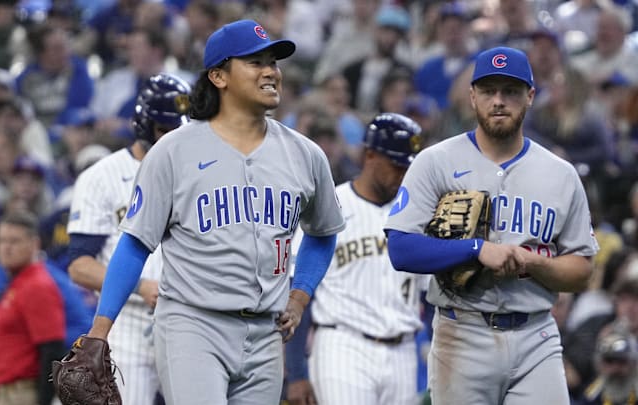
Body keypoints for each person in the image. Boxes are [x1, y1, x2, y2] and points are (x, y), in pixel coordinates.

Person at [83, 19, 345, 405]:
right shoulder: (174, 151)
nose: (272, 71)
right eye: (256, 62)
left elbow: (323, 234)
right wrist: (100, 330)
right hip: (193, 325)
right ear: (219, 76)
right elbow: (135, 245)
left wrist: (300, 295)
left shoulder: (305, 154)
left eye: (273, 62)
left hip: (266, 332)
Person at [384, 46, 599, 405]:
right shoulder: (435, 162)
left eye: (510, 91)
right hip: (462, 331)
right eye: (488, 91)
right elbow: (401, 249)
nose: (498, 101)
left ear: (530, 96)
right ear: (472, 96)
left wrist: (533, 262)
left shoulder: (560, 174)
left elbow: (582, 272)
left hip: (536, 334)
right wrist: (477, 249)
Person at [285, 113, 429, 405]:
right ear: (370, 154)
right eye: (396, 165)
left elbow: (429, 296)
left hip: (403, 350)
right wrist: (297, 372)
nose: (403, 175)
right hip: (343, 345)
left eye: (408, 168)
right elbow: (301, 291)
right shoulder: (333, 204)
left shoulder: (419, 214)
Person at [67, 72, 192, 405]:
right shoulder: (101, 176)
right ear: (144, 125)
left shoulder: (200, 172)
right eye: (166, 129)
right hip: (128, 321)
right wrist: (140, 286)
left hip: (188, 318)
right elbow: (79, 266)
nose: (175, 137)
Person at [0, 211, 66, 405]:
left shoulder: (37, 285)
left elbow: (52, 349)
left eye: (14, 241)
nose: (6, 248)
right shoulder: (19, 283)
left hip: (22, 393)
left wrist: (43, 400)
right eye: (2, 241)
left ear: (34, 244)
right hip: (6, 392)